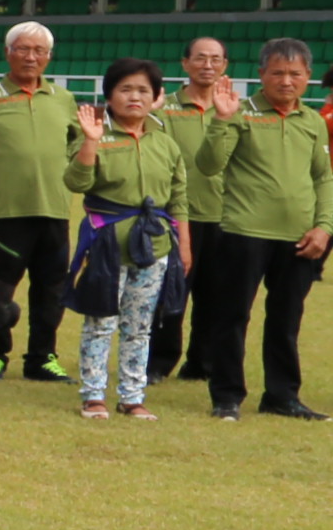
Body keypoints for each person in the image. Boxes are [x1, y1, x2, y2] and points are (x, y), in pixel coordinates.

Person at [186, 37, 333, 422]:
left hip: (299, 238)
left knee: (287, 319)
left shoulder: (314, 121)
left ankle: (282, 396)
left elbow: (323, 179)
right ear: (261, 74)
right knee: (232, 316)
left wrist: (324, 227)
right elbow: (208, 165)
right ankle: (227, 396)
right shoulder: (240, 112)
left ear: (309, 77)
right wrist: (221, 119)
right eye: (278, 73)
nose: (287, 81)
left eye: (295, 74)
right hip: (243, 231)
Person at [65, 60, 190, 421]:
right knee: (101, 321)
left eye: (143, 91)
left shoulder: (165, 143)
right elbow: (76, 183)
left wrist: (183, 245)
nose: (134, 97)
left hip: (156, 245)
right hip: (107, 244)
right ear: (110, 95)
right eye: (126, 89)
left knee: (140, 326)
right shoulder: (94, 135)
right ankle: (93, 396)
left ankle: (132, 397)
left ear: (155, 97)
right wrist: (90, 142)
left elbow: (178, 197)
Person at [0, 22, 81, 384]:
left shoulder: (63, 99)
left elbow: (76, 141)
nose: (31, 57)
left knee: (51, 292)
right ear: (7, 53)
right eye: (23, 49)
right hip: (5, 212)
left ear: (48, 57)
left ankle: (42, 358)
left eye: (39, 51)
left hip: (55, 210)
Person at [155, 33, 241, 385]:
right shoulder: (167, 108)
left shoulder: (237, 110)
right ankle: (159, 361)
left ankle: (201, 363)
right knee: (171, 294)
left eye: (216, 59)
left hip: (225, 215)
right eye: (200, 58)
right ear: (185, 63)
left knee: (217, 296)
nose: (208, 65)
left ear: (225, 66)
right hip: (177, 215)